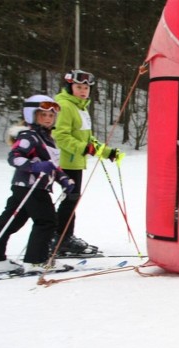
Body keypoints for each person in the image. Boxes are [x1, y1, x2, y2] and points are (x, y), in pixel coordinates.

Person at [0, 95, 75, 274]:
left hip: (31, 187)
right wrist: (34, 166)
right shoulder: (30, 136)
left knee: (12, 220)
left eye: (51, 116)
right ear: (31, 115)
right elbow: (15, 157)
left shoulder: (46, 138)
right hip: (30, 187)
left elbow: (51, 165)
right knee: (46, 221)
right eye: (43, 115)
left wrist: (64, 179)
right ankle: (36, 260)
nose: (48, 118)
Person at [53, 69, 120, 256]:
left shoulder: (80, 107)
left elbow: (88, 140)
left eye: (86, 88)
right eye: (79, 87)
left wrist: (108, 153)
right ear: (70, 87)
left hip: (75, 162)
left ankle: (62, 236)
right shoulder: (65, 106)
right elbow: (60, 136)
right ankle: (61, 238)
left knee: (71, 200)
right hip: (65, 162)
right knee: (69, 200)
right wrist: (83, 149)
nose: (83, 91)